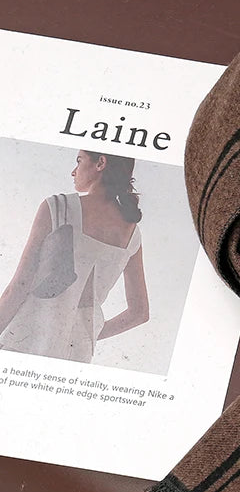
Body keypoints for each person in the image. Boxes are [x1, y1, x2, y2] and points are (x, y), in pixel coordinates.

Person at [0, 149, 149, 363]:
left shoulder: (57, 207)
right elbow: (140, 313)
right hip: (76, 356)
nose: (73, 171)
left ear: (101, 163)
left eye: (79, 161)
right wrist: (87, 335)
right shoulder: (132, 233)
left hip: (23, 343)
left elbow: (17, 288)